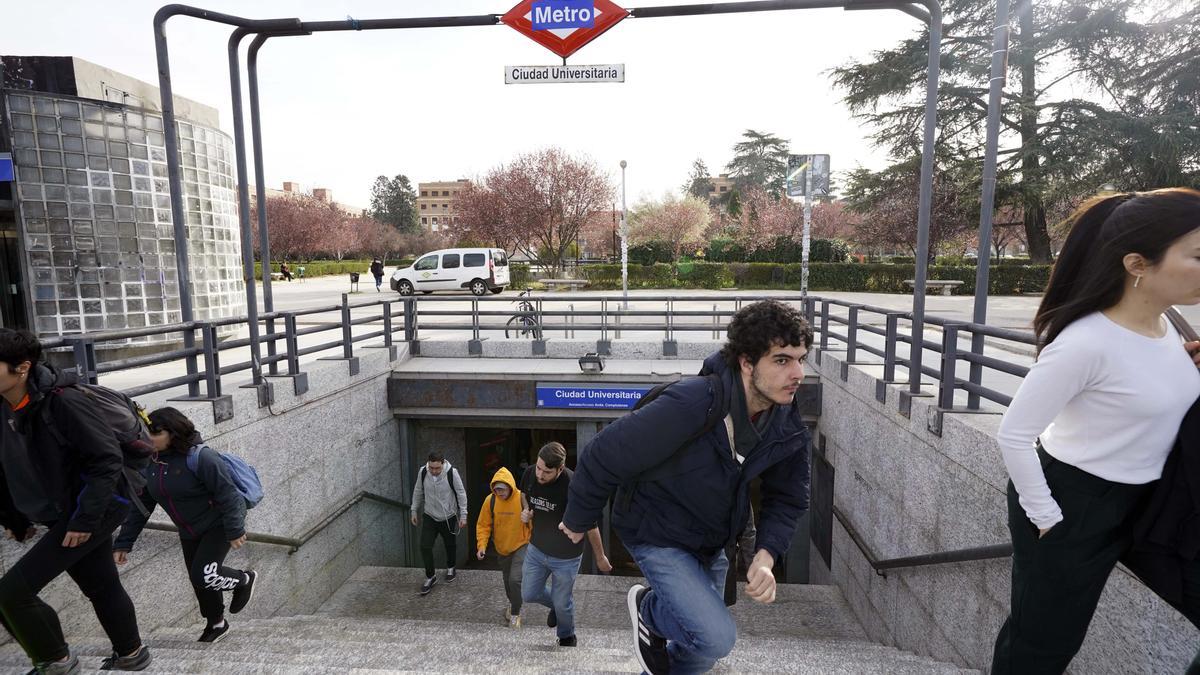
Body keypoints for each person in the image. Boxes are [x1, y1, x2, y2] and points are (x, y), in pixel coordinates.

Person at [990, 188, 1200, 674]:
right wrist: (1046, 517)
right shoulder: (1085, 342)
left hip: (1154, 503)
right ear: (1137, 264)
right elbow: (1015, 433)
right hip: (1076, 501)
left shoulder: (1170, 326)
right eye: (1197, 255)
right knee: (1041, 647)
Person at [561, 299, 813, 674]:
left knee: (700, 652)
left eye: (801, 359)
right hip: (656, 530)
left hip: (711, 539)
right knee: (716, 636)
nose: (797, 373)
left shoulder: (785, 422)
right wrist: (580, 518)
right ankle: (649, 608)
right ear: (747, 362)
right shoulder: (695, 401)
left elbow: (788, 496)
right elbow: (604, 452)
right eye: (782, 360)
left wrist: (766, 554)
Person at [0, 328, 152, 673]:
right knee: (101, 584)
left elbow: (106, 460)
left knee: (10, 595)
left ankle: (56, 661)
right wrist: (14, 518)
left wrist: (84, 521)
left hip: (91, 508)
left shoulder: (64, 402)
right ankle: (132, 654)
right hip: (58, 510)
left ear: (22, 368)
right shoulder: (4, 405)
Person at [112, 407, 257, 643]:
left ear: (173, 433)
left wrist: (234, 529)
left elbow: (228, 494)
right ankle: (216, 623)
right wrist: (124, 542)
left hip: (217, 524)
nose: (149, 438)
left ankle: (245, 580)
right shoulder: (151, 462)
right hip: (188, 529)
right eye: (146, 432)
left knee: (203, 574)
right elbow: (142, 506)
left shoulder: (202, 458)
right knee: (197, 579)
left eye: (155, 433)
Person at [520, 442, 612, 648]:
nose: (540, 475)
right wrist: (526, 510)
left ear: (560, 469)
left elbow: (590, 525)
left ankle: (567, 635)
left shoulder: (573, 485)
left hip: (566, 557)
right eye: (539, 468)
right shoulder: (529, 474)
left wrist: (600, 557)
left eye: (547, 472)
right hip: (536, 549)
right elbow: (523, 494)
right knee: (529, 593)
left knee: (563, 602)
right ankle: (559, 607)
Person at [475, 467, 531, 628]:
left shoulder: (522, 498)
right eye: (496, 489)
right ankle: (514, 603)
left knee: (515, 579)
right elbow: (483, 525)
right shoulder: (490, 501)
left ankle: (515, 613)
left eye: (502, 489)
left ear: (510, 486)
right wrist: (482, 546)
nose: (499, 492)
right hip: (502, 548)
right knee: (507, 582)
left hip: (522, 544)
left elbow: (533, 524)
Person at [410, 450, 468, 595]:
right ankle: (431, 576)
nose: (434, 471)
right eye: (431, 468)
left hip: (448, 515)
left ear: (443, 464)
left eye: (437, 468)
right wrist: (414, 510)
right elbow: (418, 490)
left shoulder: (451, 473)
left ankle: (451, 567)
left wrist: (463, 515)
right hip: (429, 514)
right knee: (424, 546)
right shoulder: (423, 472)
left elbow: (461, 493)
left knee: (449, 543)